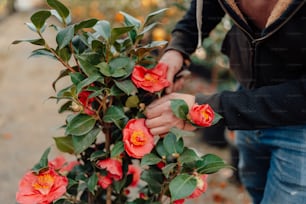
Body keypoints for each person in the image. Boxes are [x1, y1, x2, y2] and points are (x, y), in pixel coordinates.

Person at [144, 0, 306, 203]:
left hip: (299, 126)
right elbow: (207, 5)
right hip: (247, 101)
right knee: (257, 191)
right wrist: (178, 48)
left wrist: (207, 109)